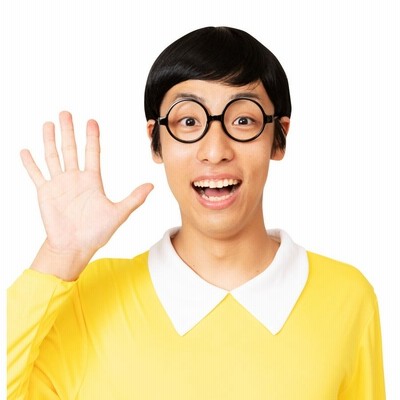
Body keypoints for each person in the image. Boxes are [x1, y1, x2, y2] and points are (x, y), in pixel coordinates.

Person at [7, 26, 385, 399]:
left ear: (279, 137)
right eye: (188, 122)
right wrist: (58, 256)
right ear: (156, 142)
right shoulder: (87, 297)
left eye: (243, 120)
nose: (215, 151)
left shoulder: (347, 298)